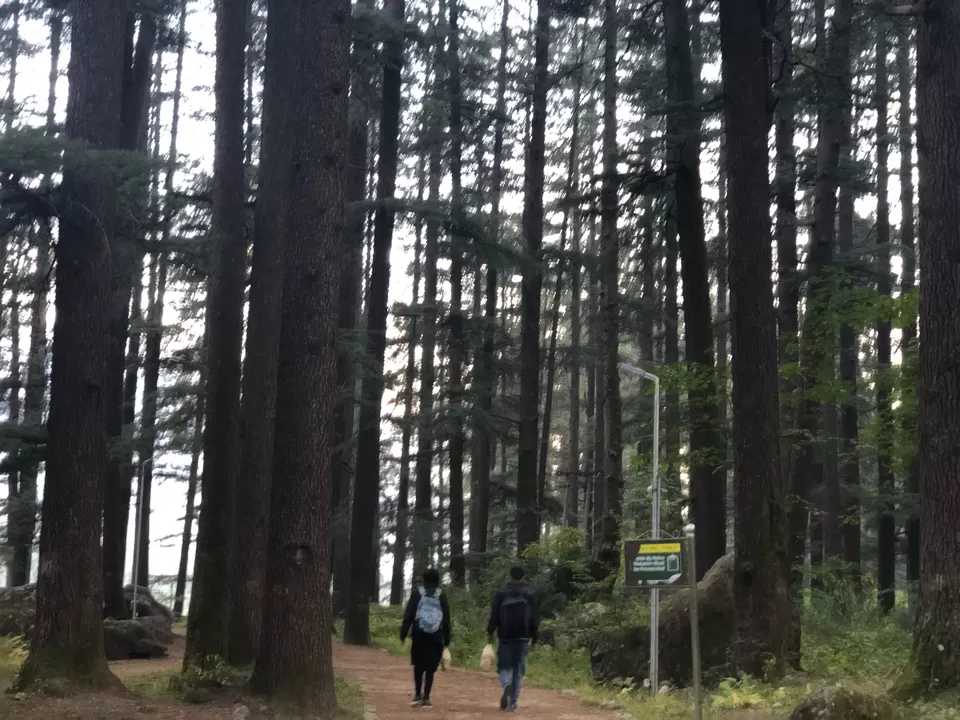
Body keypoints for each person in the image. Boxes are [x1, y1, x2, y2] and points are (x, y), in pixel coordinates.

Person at [487, 566, 539, 712]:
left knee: (503, 666)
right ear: (523, 576)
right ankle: (513, 703)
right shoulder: (529, 593)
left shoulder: (501, 592)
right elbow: (534, 618)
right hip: (523, 636)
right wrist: (535, 637)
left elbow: (495, 614)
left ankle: (506, 684)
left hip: (505, 636)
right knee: (518, 669)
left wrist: (490, 632)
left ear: (510, 575)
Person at [401, 568, 451, 708]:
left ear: (424, 579)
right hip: (436, 636)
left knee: (418, 664)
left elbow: (409, 614)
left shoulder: (417, 593)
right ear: (438, 580)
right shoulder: (441, 595)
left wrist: (403, 633)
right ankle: (427, 696)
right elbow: (446, 619)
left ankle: (417, 693)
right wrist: (447, 640)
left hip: (419, 634)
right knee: (430, 667)